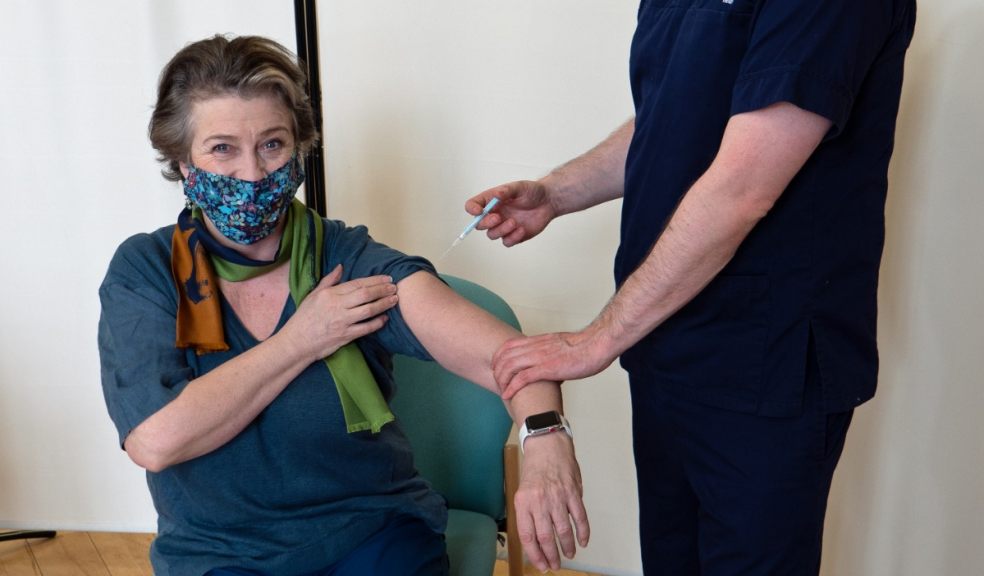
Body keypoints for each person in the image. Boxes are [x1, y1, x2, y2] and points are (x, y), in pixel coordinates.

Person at [98, 35, 588, 576]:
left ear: (299, 147)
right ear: (183, 164)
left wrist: (545, 439)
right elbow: (156, 440)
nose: (253, 173)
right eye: (222, 149)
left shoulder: (350, 258)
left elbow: (514, 359)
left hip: (371, 537)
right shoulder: (146, 270)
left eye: (272, 144)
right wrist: (302, 338)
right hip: (220, 556)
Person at [466, 1, 917, 574]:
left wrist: (594, 340)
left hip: (764, 358)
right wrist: (557, 193)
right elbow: (671, 118)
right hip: (664, 342)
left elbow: (743, 187)